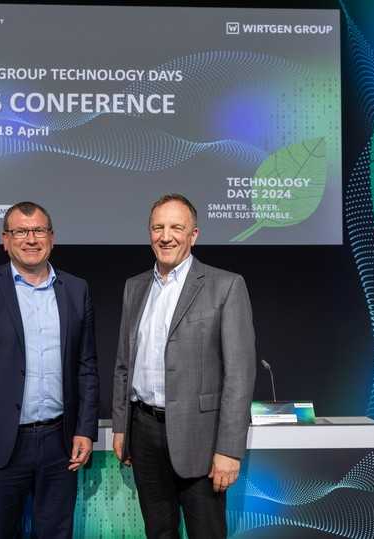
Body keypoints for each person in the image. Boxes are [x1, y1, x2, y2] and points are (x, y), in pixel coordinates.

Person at [0, 201, 99, 539]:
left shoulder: (76, 290)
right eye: (20, 232)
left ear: (52, 237)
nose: (31, 239)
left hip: (60, 444)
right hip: (0, 447)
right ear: (5, 240)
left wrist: (85, 430)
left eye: (38, 231)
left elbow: (86, 366)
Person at [112, 193, 256, 538]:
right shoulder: (135, 287)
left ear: (194, 234)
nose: (166, 236)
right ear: (149, 233)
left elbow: (239, 374)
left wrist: (228, 450)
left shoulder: (226, 285)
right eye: (158, 227)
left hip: (202, 440)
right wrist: (121, 426)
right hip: (144, 431)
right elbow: (123, 364)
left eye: (177, 227)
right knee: (158, 531)